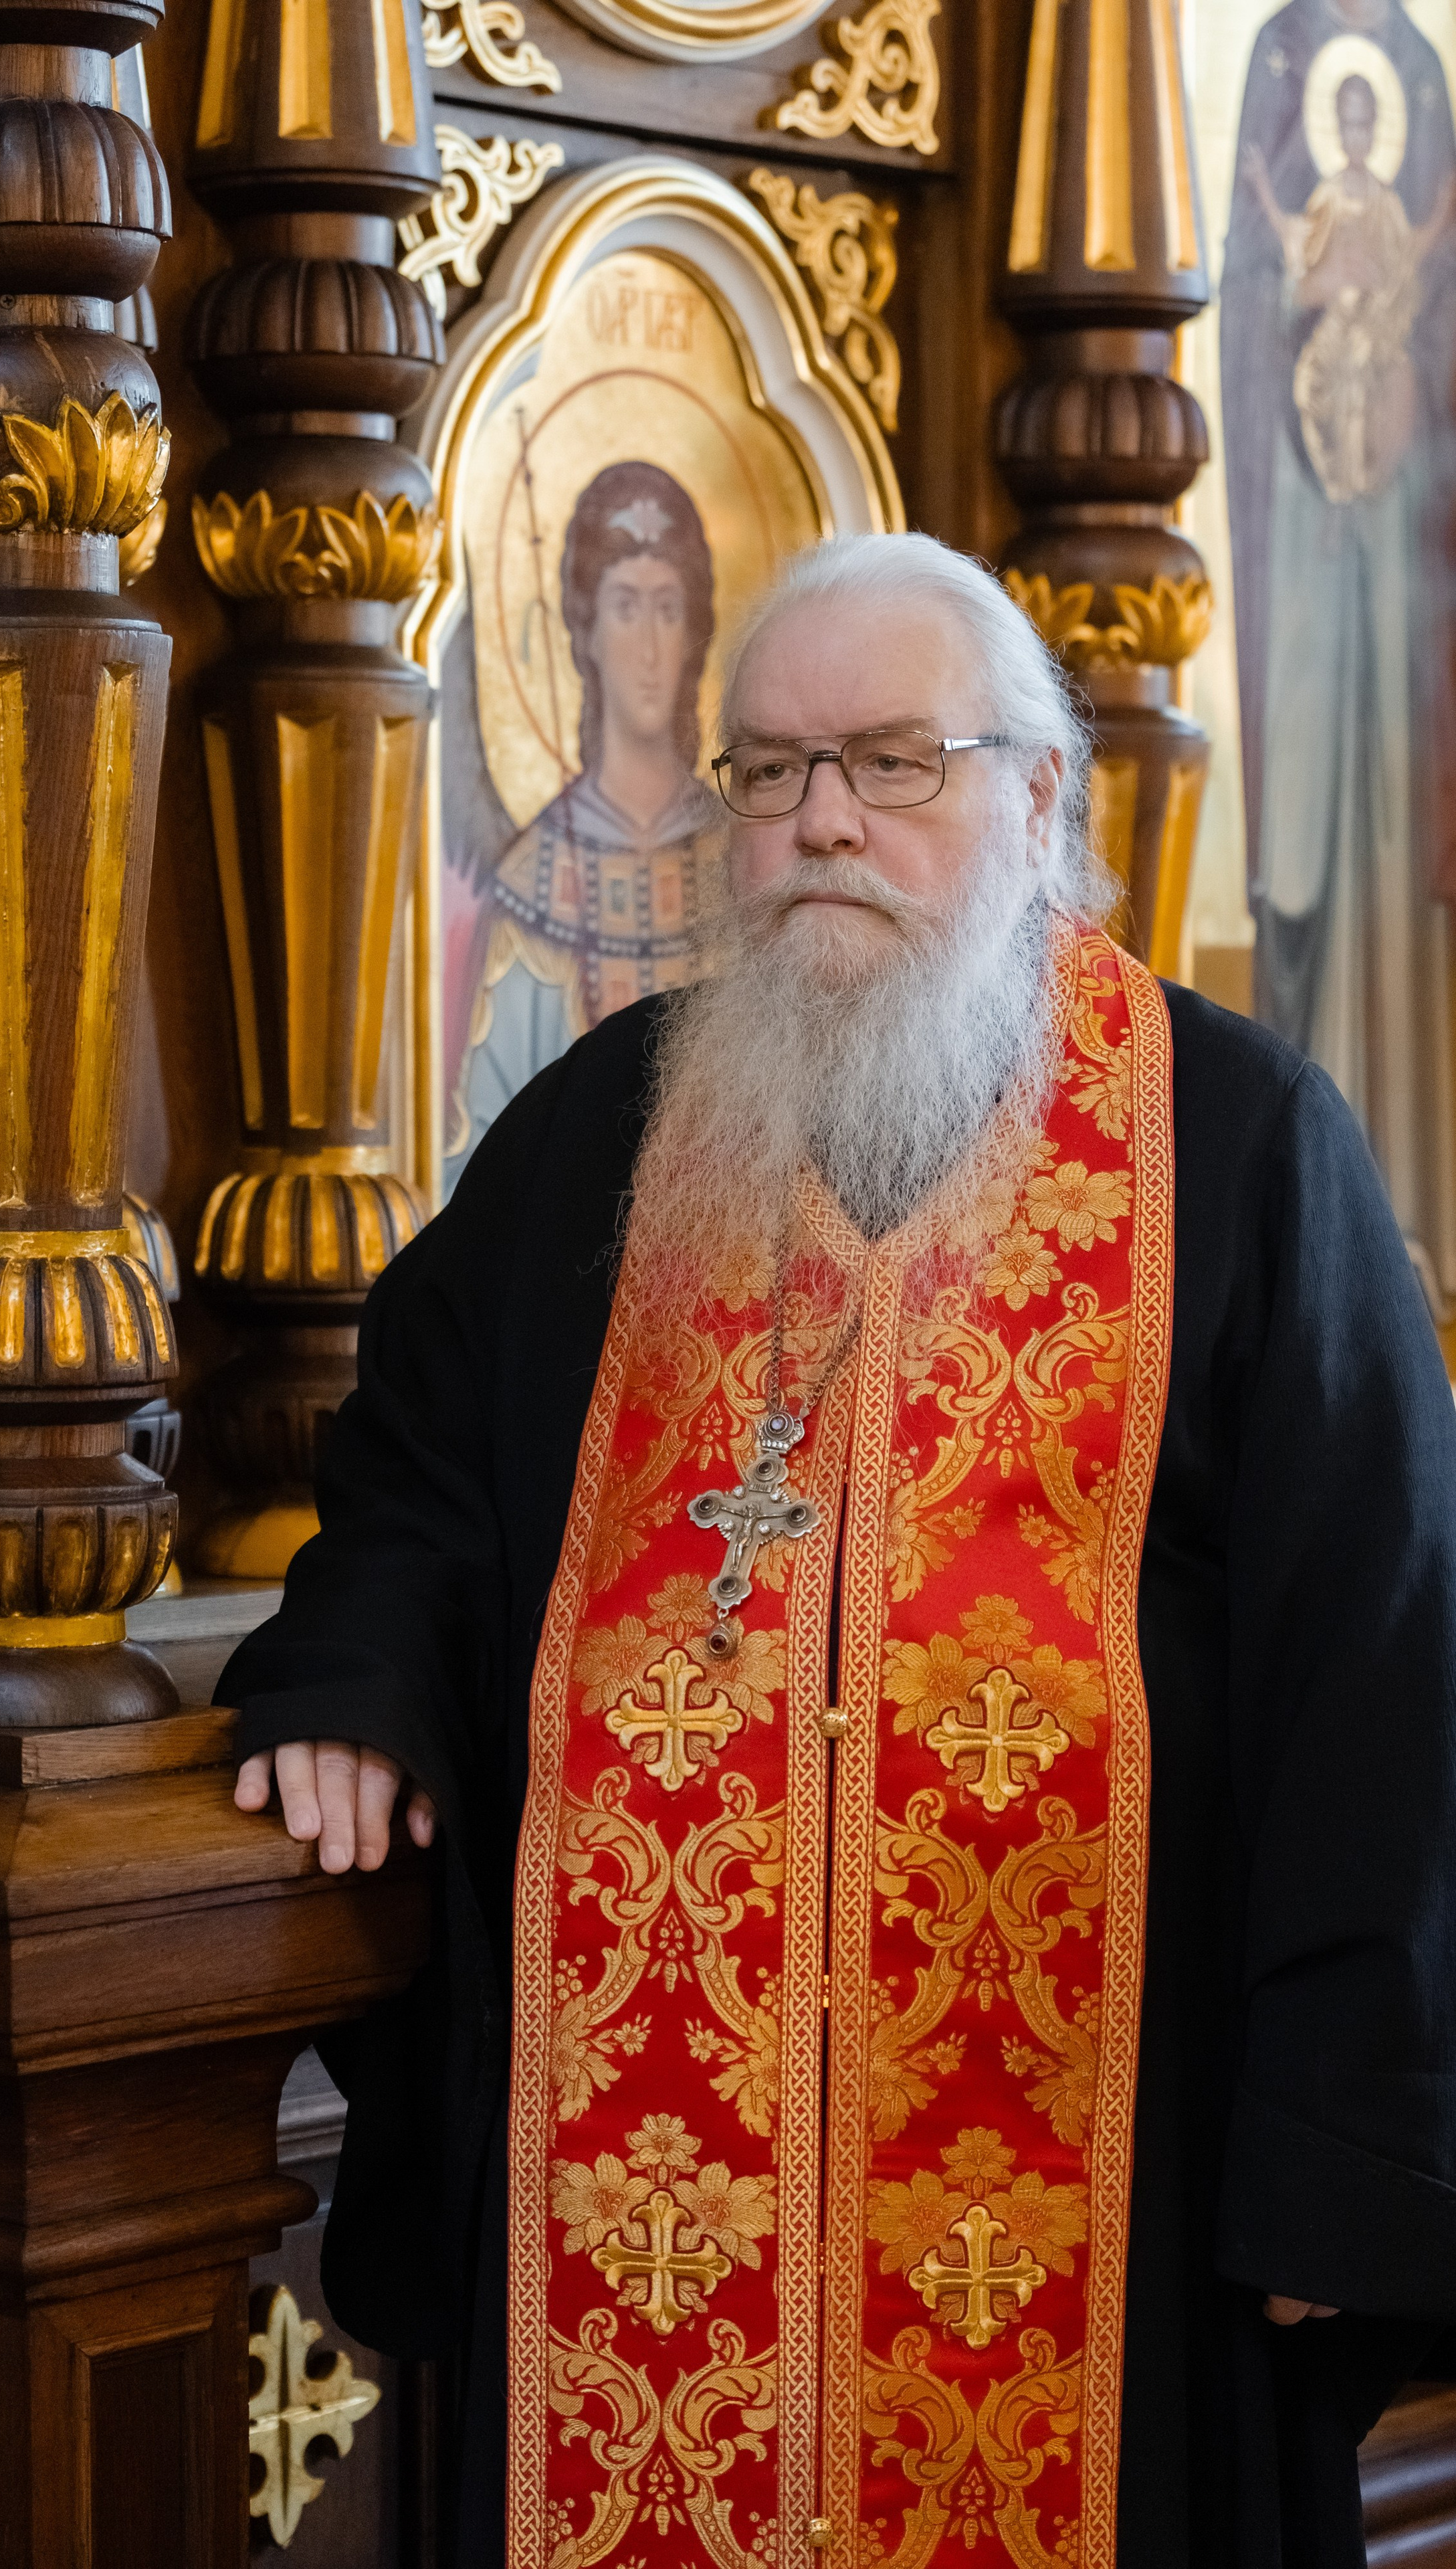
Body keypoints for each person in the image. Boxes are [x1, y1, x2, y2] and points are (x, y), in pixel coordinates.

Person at [224, 533, 1456, 2568]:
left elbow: (1385, 1672)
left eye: (889, 763)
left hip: (1104, 2192)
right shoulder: (595, 1147)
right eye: (770, 769)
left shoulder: (1234, 1146)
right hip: (640, 2218)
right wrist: (354, 1682)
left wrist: (1340, 2158)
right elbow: (418, 1483)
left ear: (1032, 795)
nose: (818, 823)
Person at [1221, 1, 1456, 1313]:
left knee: (1384, 830)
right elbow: (1264, 301)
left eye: (1372, 112)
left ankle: (1421, 1207)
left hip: (1394, 526)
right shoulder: (1280, 49)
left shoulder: (1418, 59)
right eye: (1344, 111)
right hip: (1305, 533)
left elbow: (1426, 290)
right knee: (1312, 835)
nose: (1360, 121)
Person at [444, 458, 725, 1187]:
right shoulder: (536, 871)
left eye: (669, 608)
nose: (651, 648)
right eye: (626, 607)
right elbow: (488, 1137)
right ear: (585, 631)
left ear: (697, 630)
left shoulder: (745, 853)